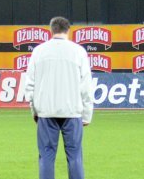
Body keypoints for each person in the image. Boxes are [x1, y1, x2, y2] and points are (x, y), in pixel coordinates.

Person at [24, 17, 93, 179]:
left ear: (51, 30)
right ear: (68, 30)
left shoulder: (39, 51)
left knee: (46, 156)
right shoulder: (78, 51)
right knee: (75, 156)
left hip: (46, 112)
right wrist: (87, 114)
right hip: (72, 112)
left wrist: (34, 110)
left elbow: (30, 84)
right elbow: (86, 86)